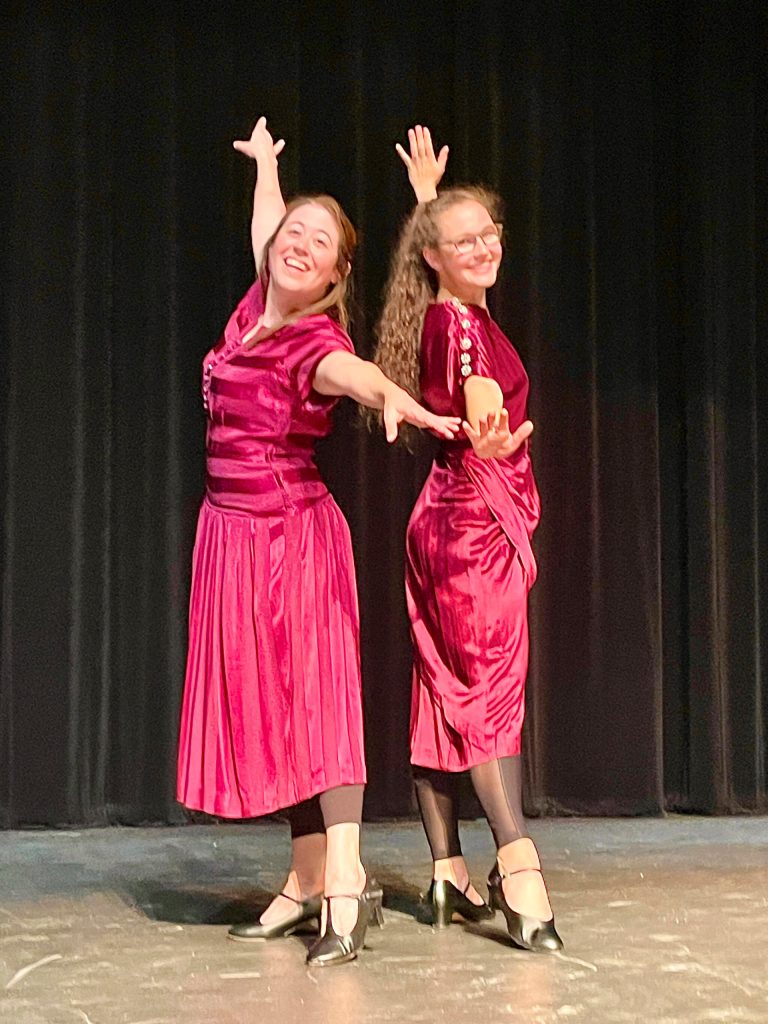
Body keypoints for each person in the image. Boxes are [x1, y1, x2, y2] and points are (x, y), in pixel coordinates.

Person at [176, 118, 460, 968]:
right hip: (230, 537)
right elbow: (269, 228)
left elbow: (355, 375)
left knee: (317, 707)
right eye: (295, 233)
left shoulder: (315, 339)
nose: (299, 245)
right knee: (268, 715)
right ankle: (304, 879)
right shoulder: (251, 312)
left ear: (338, 275)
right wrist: (269, 170)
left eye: (321, 244)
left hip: (291, 539)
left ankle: (343, 877)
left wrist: (391, 398)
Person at [373, 126, 563, 952]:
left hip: (447, 522)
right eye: (465, 240)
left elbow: (445, 284)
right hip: (471, 527)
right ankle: (518, 870)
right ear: (436, 259)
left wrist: (430, 206)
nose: (485, 246)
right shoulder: (458, 329)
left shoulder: (451, 309)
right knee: (489, 699)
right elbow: (480, 391)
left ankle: (448, 875)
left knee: (445, 696)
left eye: (490, 232)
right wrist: (488, 430)